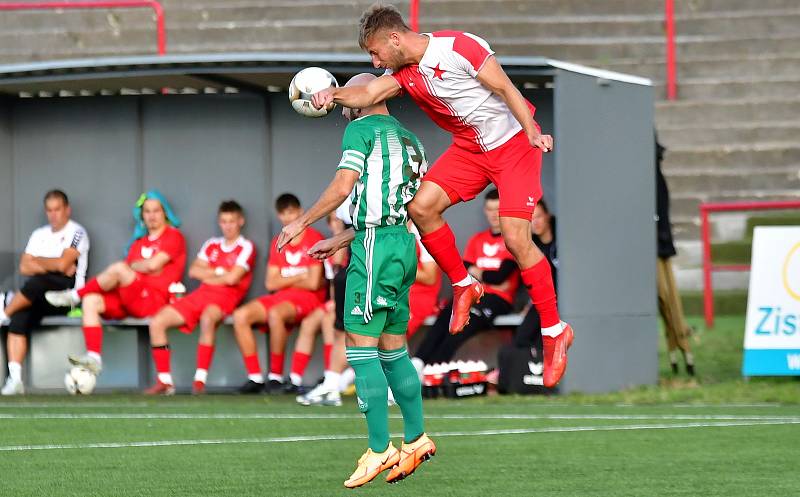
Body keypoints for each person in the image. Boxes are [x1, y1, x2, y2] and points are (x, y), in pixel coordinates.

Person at [311, 4, 572, 388]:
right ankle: (464, 284)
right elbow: (368, 92)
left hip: (515, 145)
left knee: (517, 238)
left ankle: (553, 331)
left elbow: (504, 87)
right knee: (420, 206)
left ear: (394, 38)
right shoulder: (401, 72)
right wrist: (333, 94)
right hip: (470, 149)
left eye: (374, 51)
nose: (374, 59)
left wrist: (532, 130)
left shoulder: (458, 46)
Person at [279, 73, 434, 488]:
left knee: (359, 346)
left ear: (363, 99)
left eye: (350, 98)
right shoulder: (411, 140)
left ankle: (380, 448)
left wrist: (302, 223)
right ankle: (416, 439)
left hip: (375, 250)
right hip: (402, 246)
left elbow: (343, 185)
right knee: (392, 347)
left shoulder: (360, 129)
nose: (345, 106)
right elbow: (398, 207)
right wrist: (341, 237)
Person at [46, 190, 186, 378]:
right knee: (91, 300)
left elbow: (152, 264)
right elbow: (139, 267)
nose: (152, 216)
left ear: (165, 213)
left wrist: (139, 267)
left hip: (154, 301)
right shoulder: (138, 243)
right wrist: (140, 267)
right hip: (131, 297)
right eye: (147, 211)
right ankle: (94, 357)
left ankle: (74, 295)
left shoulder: (173, 236)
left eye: (156, 211)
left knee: (119, 268)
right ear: (141, 216)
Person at [143, 200, 256, 395]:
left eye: (231, 221)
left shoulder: (246, 246)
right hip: (200, 294)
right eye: (224, 221)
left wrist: (213, 273)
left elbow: (233, 278)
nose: (227, 226)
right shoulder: (212, 244)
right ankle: (165, 381)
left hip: (226, 298)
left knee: (207, 319)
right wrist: (220, 273)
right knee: (158, 322)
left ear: (241, 221)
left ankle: (199, 381)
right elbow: (194, 271)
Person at [232, 193, 325, 394]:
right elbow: (270, 282)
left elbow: (314, 282)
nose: (288, 218)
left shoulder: (314, 237)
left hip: (308, 300)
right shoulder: (279, 241)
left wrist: (287, 278)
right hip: (280, 297)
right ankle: (255, 378)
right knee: (240, 316)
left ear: (300, 212)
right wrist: (300, 275)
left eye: (291, 212)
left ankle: (275, 377)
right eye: (283, 214)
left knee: (275, 313)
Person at [413, 189, 517, 365]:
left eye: (497, 209)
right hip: (472, 294)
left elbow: (500, 277)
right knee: (446, 316)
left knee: (462, 327)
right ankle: (418, 363)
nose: (493, 215)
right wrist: (485, 276)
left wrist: (479, 273)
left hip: (497, 300)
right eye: (489, 209)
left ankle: (434, 369)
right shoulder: (477, 240)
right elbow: (464, 269)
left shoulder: (513, 240)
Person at [0, 190, 89, 396]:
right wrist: (55, 264)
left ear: (67, 209)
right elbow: (24, 267)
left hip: (67, 296)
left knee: (36, 282)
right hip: (38, 295)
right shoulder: (39, 234)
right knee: (20, 316)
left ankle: (4, 312)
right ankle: (15, 379)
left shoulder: (77, 232)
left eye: (57, 209)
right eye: (49, 210)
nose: (53, 214)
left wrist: (38, 262)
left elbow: (64, 263)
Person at [287, 210, 347, 392]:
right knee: (309, 322)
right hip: (336, 299)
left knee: (330, 323)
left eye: (340, 221)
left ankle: (331, 377)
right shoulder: (329, 247)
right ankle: (294, 379)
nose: (337, 224)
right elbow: (333, 281)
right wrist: (332, 301)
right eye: (333, 221)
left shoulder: (353, 243)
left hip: (353, 298)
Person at [655, 136, 695, 376]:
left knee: (667, 299)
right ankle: (679, 348)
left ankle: (682, 346)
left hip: (657, 245)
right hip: (656, 241)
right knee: (666, 300)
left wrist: (661, 239)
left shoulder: (654, 177)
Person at [406, 221, 442, 339]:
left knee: (392, 334)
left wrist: (397, 268)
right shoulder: (381, 225)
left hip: (418, 295)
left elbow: (430, 277)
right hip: (387, 290)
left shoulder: (422, 230)